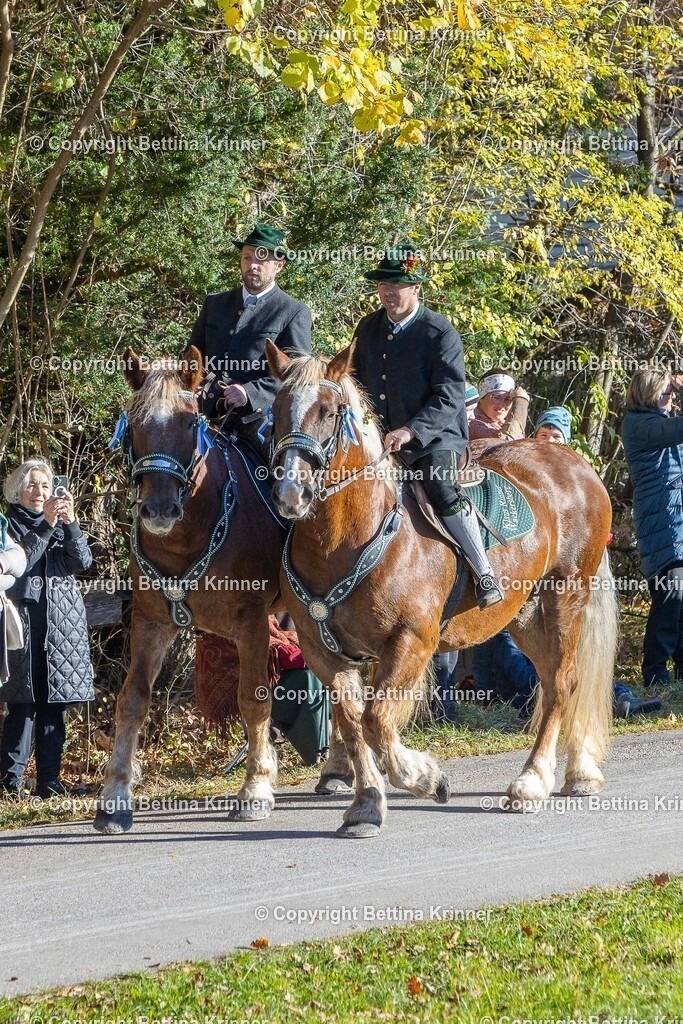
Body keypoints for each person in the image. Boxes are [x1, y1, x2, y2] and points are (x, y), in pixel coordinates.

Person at [352, 243, 502, 607]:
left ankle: (484, 572)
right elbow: (354, 382)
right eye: (383, 284)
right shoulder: (368, 328)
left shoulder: (440, 333)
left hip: (435, 439)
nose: (388, 291)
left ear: (416, 287)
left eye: (398, 284)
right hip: (380, 437)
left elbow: (450, 397)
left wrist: (410, 431)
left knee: (438, 484)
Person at [0, 460, 94, 798]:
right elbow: (20, 565)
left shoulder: (60, 522)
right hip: (21, 626)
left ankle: (49, 783)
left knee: (54, 706)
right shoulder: (7, 526)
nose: (40, 492)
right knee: (22, 705)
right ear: (17, 490)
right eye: (32, 485)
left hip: (60, 628)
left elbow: (82, 563)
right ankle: (10, 784)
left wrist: (70, 525)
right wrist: (47, 525)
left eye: (45, 485)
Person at [186, 222, 312, 425]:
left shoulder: (294, 312)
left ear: (279, 265)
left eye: (262, 260)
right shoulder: (214, 303)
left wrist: (250, 393)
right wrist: (192, 383)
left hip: (256, 421)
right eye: (247, 258)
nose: (253, 265)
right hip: (202, 412)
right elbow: (192, 356)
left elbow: (296, 379)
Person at [622, 369, 683, 689]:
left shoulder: (660, 423)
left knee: (680, 600)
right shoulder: (639, 425)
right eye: (665, 393)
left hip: (677, 527)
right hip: (662, 527)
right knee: (670, 596)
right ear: (647, 395)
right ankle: (655, 673)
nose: (670, 398)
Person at [469, 369, 529, 440]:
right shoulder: (473, 425)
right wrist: (521, 403)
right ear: (481, 398)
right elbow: (505, 444)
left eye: (507, 399)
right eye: (496, 397)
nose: (501, 405)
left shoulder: (501, 423)